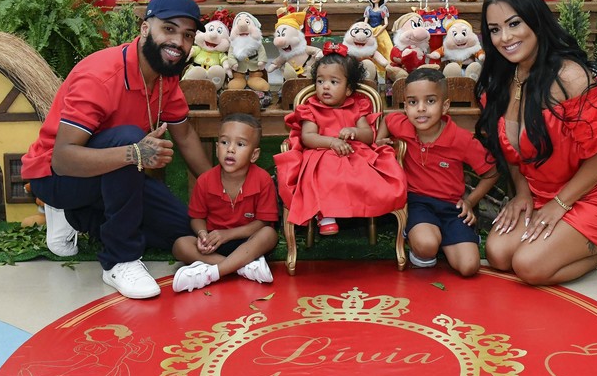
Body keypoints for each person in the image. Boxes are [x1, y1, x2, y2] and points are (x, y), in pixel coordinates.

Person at [21, 0, 211, 300]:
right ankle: (119, 260)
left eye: (188, 35)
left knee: (183, 225)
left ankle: (79, 217)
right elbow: (62, 159)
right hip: (56, 178)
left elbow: (185, 136)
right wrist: (135, 153)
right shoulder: (101, 76)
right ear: (145, 28)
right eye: (169, 29)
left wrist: (219, 190)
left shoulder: (165, 75)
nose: (178, 42)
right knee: (128, 138)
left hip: (116, 174)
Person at [475, 0, 597, 286]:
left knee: (529, 266)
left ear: (536, 21)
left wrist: (560, 204)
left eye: (514, 24)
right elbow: (509, 149)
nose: (505, 37)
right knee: (498, 254)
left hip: (594, 194)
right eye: (495, 29)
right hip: (540, 192)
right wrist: (522, 192)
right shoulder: (503, 78)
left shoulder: (571, 78)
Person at [378, 69, 498, 276]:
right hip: (418, 203)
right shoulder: (403, 126)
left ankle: (450, 237)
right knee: (426, 247)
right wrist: (379, 141)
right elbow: (387, 120)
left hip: (452, 207)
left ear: (445, 106)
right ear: (405, 107)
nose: (421, 109)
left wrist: (470, 201)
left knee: (469, 267)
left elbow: (492, 173)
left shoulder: (461, 139)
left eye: (430, 101)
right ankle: (422, 241)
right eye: (413, 102)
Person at [274, 52, 407, 236]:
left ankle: (363, 205)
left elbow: (369, 136)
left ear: (348, 89)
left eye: (334, 82)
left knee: (365, 174)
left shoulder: (357, 106)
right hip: (322, 151)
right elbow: (308, 137)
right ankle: (326, 214)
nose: (325, 86)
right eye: (320, 81)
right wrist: (331, 142)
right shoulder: (311, 109)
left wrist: (355, 131)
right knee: (326, 171)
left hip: (354, 152)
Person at [171, 114, 280, 292]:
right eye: (224, 142)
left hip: (248, 242)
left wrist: (227, 234)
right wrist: (203, 234)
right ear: (216, 148)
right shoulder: (205, 180)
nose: (230, 149)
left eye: (240, 144)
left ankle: (212, 273)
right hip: (215, 245)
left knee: (269, 234)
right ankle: (242, 268)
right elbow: (197, 218)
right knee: (180, 245)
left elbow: (263, 223)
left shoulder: (263, 180)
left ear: (254, 155)